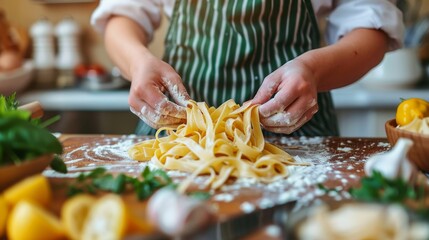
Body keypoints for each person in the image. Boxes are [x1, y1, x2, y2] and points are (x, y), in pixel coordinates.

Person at [91, 0, 404, 136]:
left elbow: (371, 25)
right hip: (176, 136)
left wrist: (314, 70)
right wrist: (139, 62)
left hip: (297, 135)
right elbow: (122, 16)